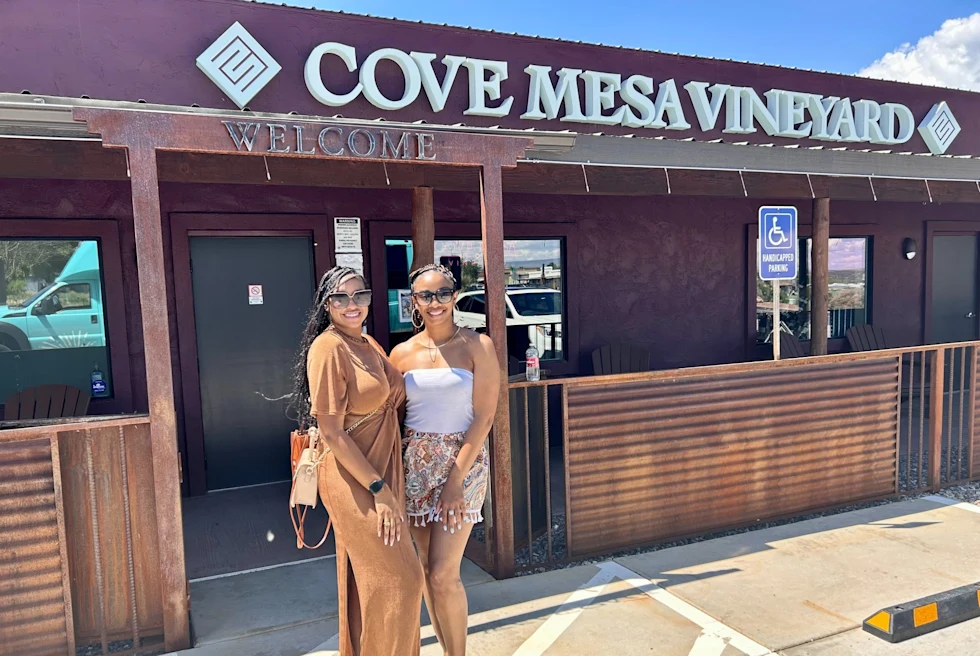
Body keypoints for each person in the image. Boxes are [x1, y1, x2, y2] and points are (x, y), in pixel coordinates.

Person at [291, 266, 423, 656]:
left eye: (360, 295)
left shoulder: (368, 342)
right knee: (401, 581)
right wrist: (378, 489)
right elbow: (332, 431)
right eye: (341, 297)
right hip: (356, 476)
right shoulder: (328, 348)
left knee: (370, 580)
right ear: (326, 304)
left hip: (383, 467)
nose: (352, 304)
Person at [390, 263, 499, 656]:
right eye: (425, 295)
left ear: (454, 296)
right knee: (426, 570)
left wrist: (454, 481)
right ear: (414, 301)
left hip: (463, 463)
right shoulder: (401, 353)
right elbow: (392, 415)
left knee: (443, 573)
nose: (434, 302)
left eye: (442, 293)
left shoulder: (478, 345)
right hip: (416, 463)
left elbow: (484, 417)